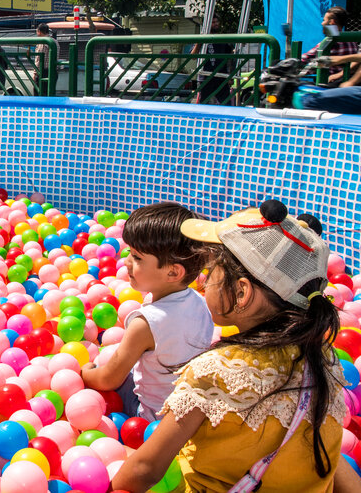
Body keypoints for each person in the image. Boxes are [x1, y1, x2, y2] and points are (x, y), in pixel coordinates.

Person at [112, 199, 359, 493]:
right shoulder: (324, 360)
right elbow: (329, 456)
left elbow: (144, 470)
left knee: (119, 458)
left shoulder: (218, 371)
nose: (202, 280)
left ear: (240, 292)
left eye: (213, 269)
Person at [81, 202, 213, 421]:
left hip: (150, 416)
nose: (126, 262)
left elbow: (109, 379)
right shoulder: (200, 303)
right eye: (130, 253)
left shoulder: (145, 324)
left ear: (173, 272)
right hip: (186, 412)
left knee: (95, 388)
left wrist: (86, 373)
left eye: (137, 257)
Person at [301, 6, 359, 83]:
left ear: (332, 22)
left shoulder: (328, 42)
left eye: (324, 20)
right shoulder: (352, 42)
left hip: (329, 83)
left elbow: (304, 58)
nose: (322, 23)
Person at [191, 16, 235, 105]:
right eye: (213, 22)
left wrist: (230, 75)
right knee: (203, 103)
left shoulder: (221, 39)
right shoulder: (202, 39)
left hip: (221, 76)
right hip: (205, 77)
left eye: (217, 22)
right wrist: (199, 42)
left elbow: (230, 56)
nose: (216, 24)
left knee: (226, 104)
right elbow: (193, 56)